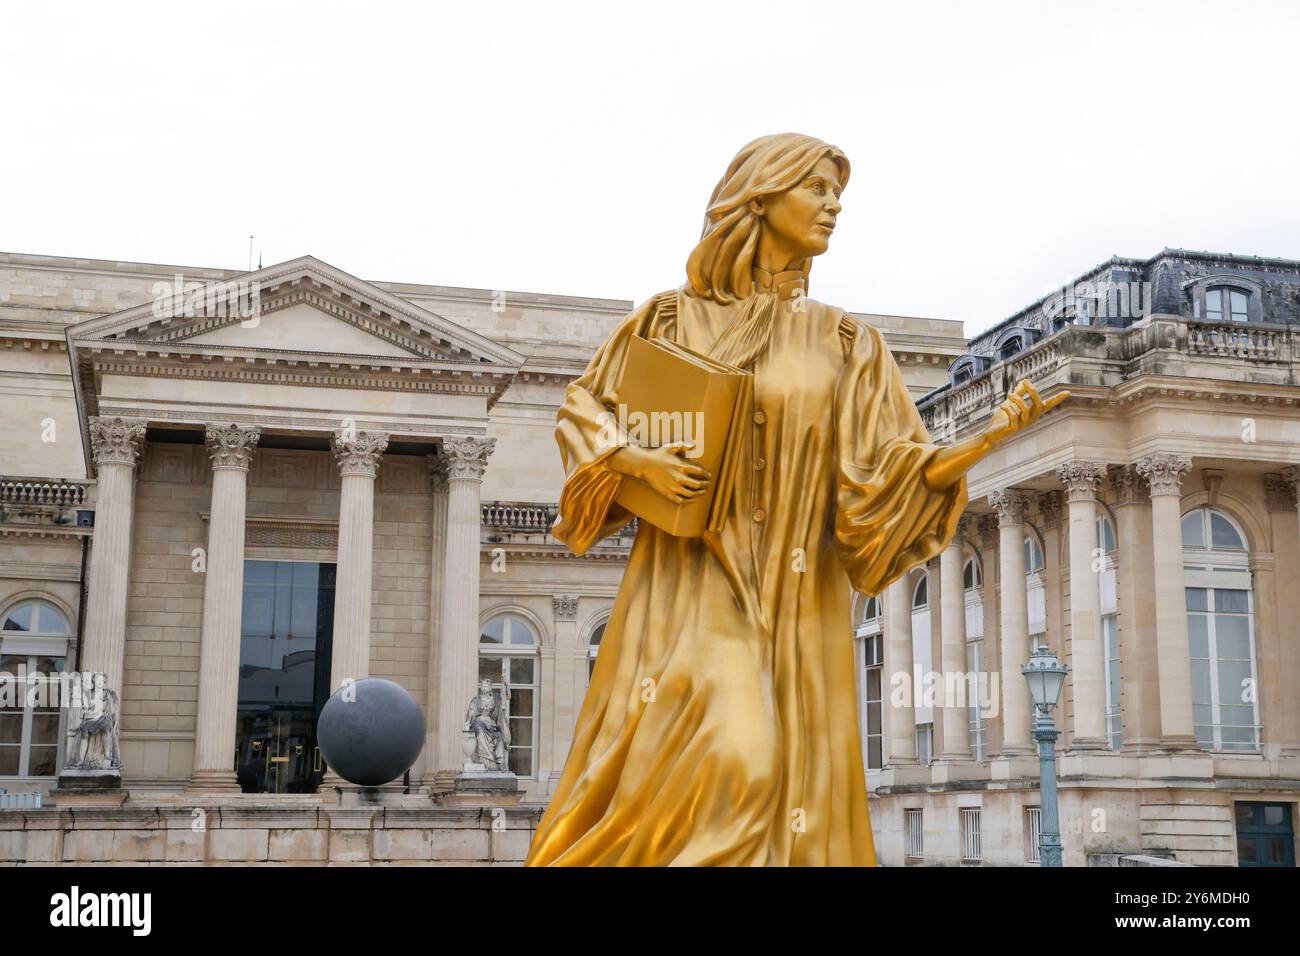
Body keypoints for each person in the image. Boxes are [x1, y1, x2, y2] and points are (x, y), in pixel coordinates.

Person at [524, 133, 1066, 866]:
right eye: (816, 188)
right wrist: (638, 462)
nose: (833, 206)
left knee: (782, 785)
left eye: (837, 193)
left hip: (801, 594)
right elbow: (584, 410)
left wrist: (982, 442)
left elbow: (885, 478)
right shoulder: (667, 320)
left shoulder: (848, 343)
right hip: (691, 585)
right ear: (760, 196)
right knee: (741, 762)